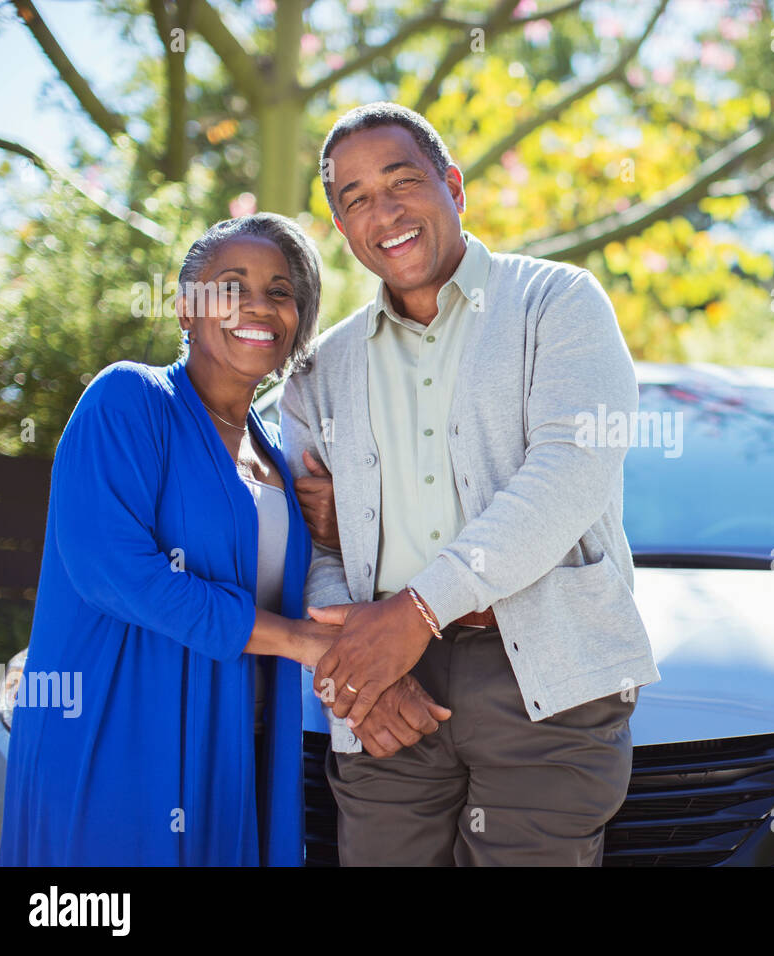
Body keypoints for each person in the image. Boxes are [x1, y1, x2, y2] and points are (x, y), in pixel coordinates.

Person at [282, 102, 661, 866]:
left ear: (453, 186)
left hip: (546, 674)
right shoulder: (319, 371)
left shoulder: (560, 303)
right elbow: (314, 540)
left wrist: (417, 610)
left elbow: (567, 475)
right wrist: (359, 667)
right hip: (384, 686)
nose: (382, 212)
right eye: (354, 199)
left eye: (401, 182)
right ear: (342, 227)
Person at [0, 213, 339, 866]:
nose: (258, 306)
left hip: (241, 754)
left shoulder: (275, 457)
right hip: (119, 741)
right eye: (231, 285)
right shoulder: (129, 400)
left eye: (279, 291)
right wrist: (299, 642)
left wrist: (327, 531)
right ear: (186, 309)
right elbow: (119, 572)